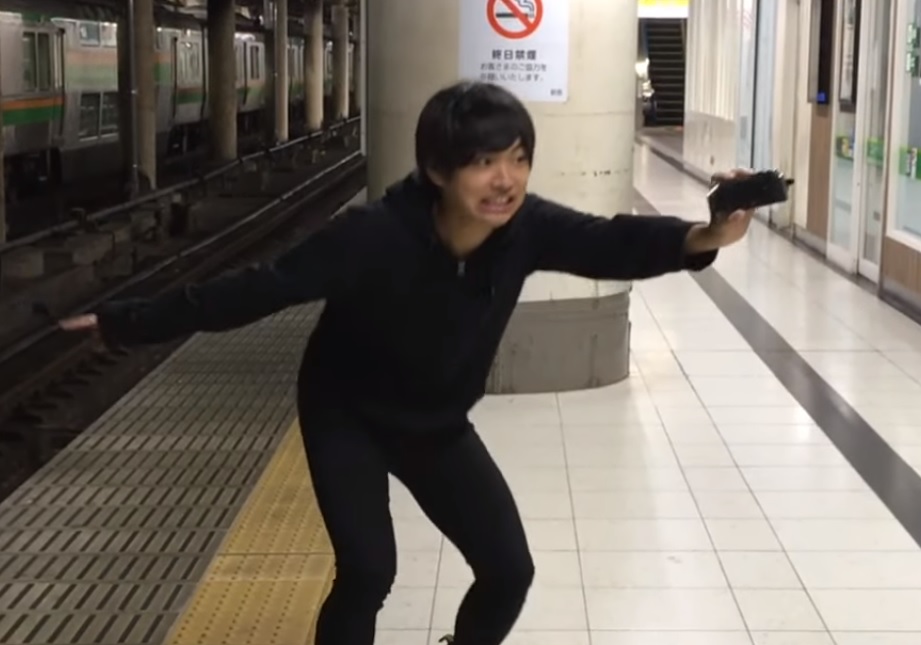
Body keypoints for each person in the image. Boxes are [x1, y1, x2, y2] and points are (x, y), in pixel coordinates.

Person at [60, 81, 754, 644]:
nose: (505, 180)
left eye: (517, 159)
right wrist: (126, 322)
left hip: (434, 422)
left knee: (508, 571)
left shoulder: (526, 228)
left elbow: (609, 243)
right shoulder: (371, 236)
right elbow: (257, 289)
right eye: (484, 162)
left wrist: (705, 234)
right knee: (368, 572)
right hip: (347, 415)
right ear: (437, 170)